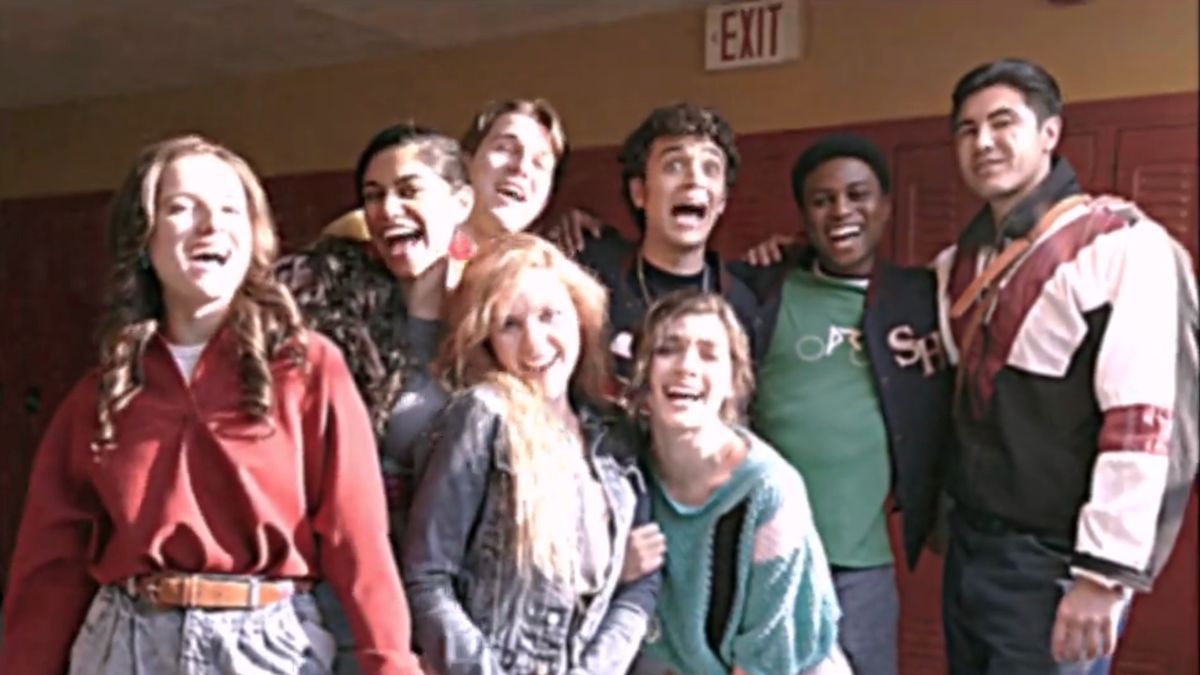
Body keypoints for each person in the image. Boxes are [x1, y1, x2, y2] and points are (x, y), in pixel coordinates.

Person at [0, 134, 421, 675]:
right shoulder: (100, 394)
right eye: (181, 208)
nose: (211, 224)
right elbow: (50, 569)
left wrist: (391, 664)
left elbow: (358, 543)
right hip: (123, 646)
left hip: (265, 650)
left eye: (230, 209)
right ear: (144, 239)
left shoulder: (308, 370)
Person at [933, 58, 1198, 674]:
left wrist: (1104, 574)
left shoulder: (1121, 246)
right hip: (972, 551)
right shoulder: (958, 264)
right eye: (967, 130)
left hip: (1057, 565)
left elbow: (1146, 421)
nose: (984, 142)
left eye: (1003, 123)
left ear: (1049, 133)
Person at [729, 134, 953, 675]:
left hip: (863, 565)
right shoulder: (764, 289)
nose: (842, 211)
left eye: (859, 195)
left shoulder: (923, 297)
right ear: (804, 214)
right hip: (764, 560)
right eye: (822, 200)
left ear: (886, 206)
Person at [402, 233, 659, 674]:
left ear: (580, 318)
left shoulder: (614, 433)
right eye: (510, 325)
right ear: (487, 339)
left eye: (549, 316)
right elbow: (427, 578)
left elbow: (644, 582)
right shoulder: (483, 416)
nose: (534, 343)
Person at [276, 123, 474, 674]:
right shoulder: (329, 315)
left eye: (409, 190)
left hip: (454, 608)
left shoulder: (491, 325)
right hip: (337, 600)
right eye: (373, 195)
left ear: (461, 201)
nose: (388, 209)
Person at [624, 291, 848, 675]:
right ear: (643, 373)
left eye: (709, 354)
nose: (686, 366)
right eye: (668, 349)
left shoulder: (770, 493)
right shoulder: (624, 473)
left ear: (732, 381)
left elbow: (767, 662)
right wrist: (618, 570)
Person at [571, 103, 759, 381]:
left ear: (721, 202)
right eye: (674, 166)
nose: (694, 179)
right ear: (639, 193)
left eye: (710, 168)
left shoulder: (739, 302)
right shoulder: (590, 276)